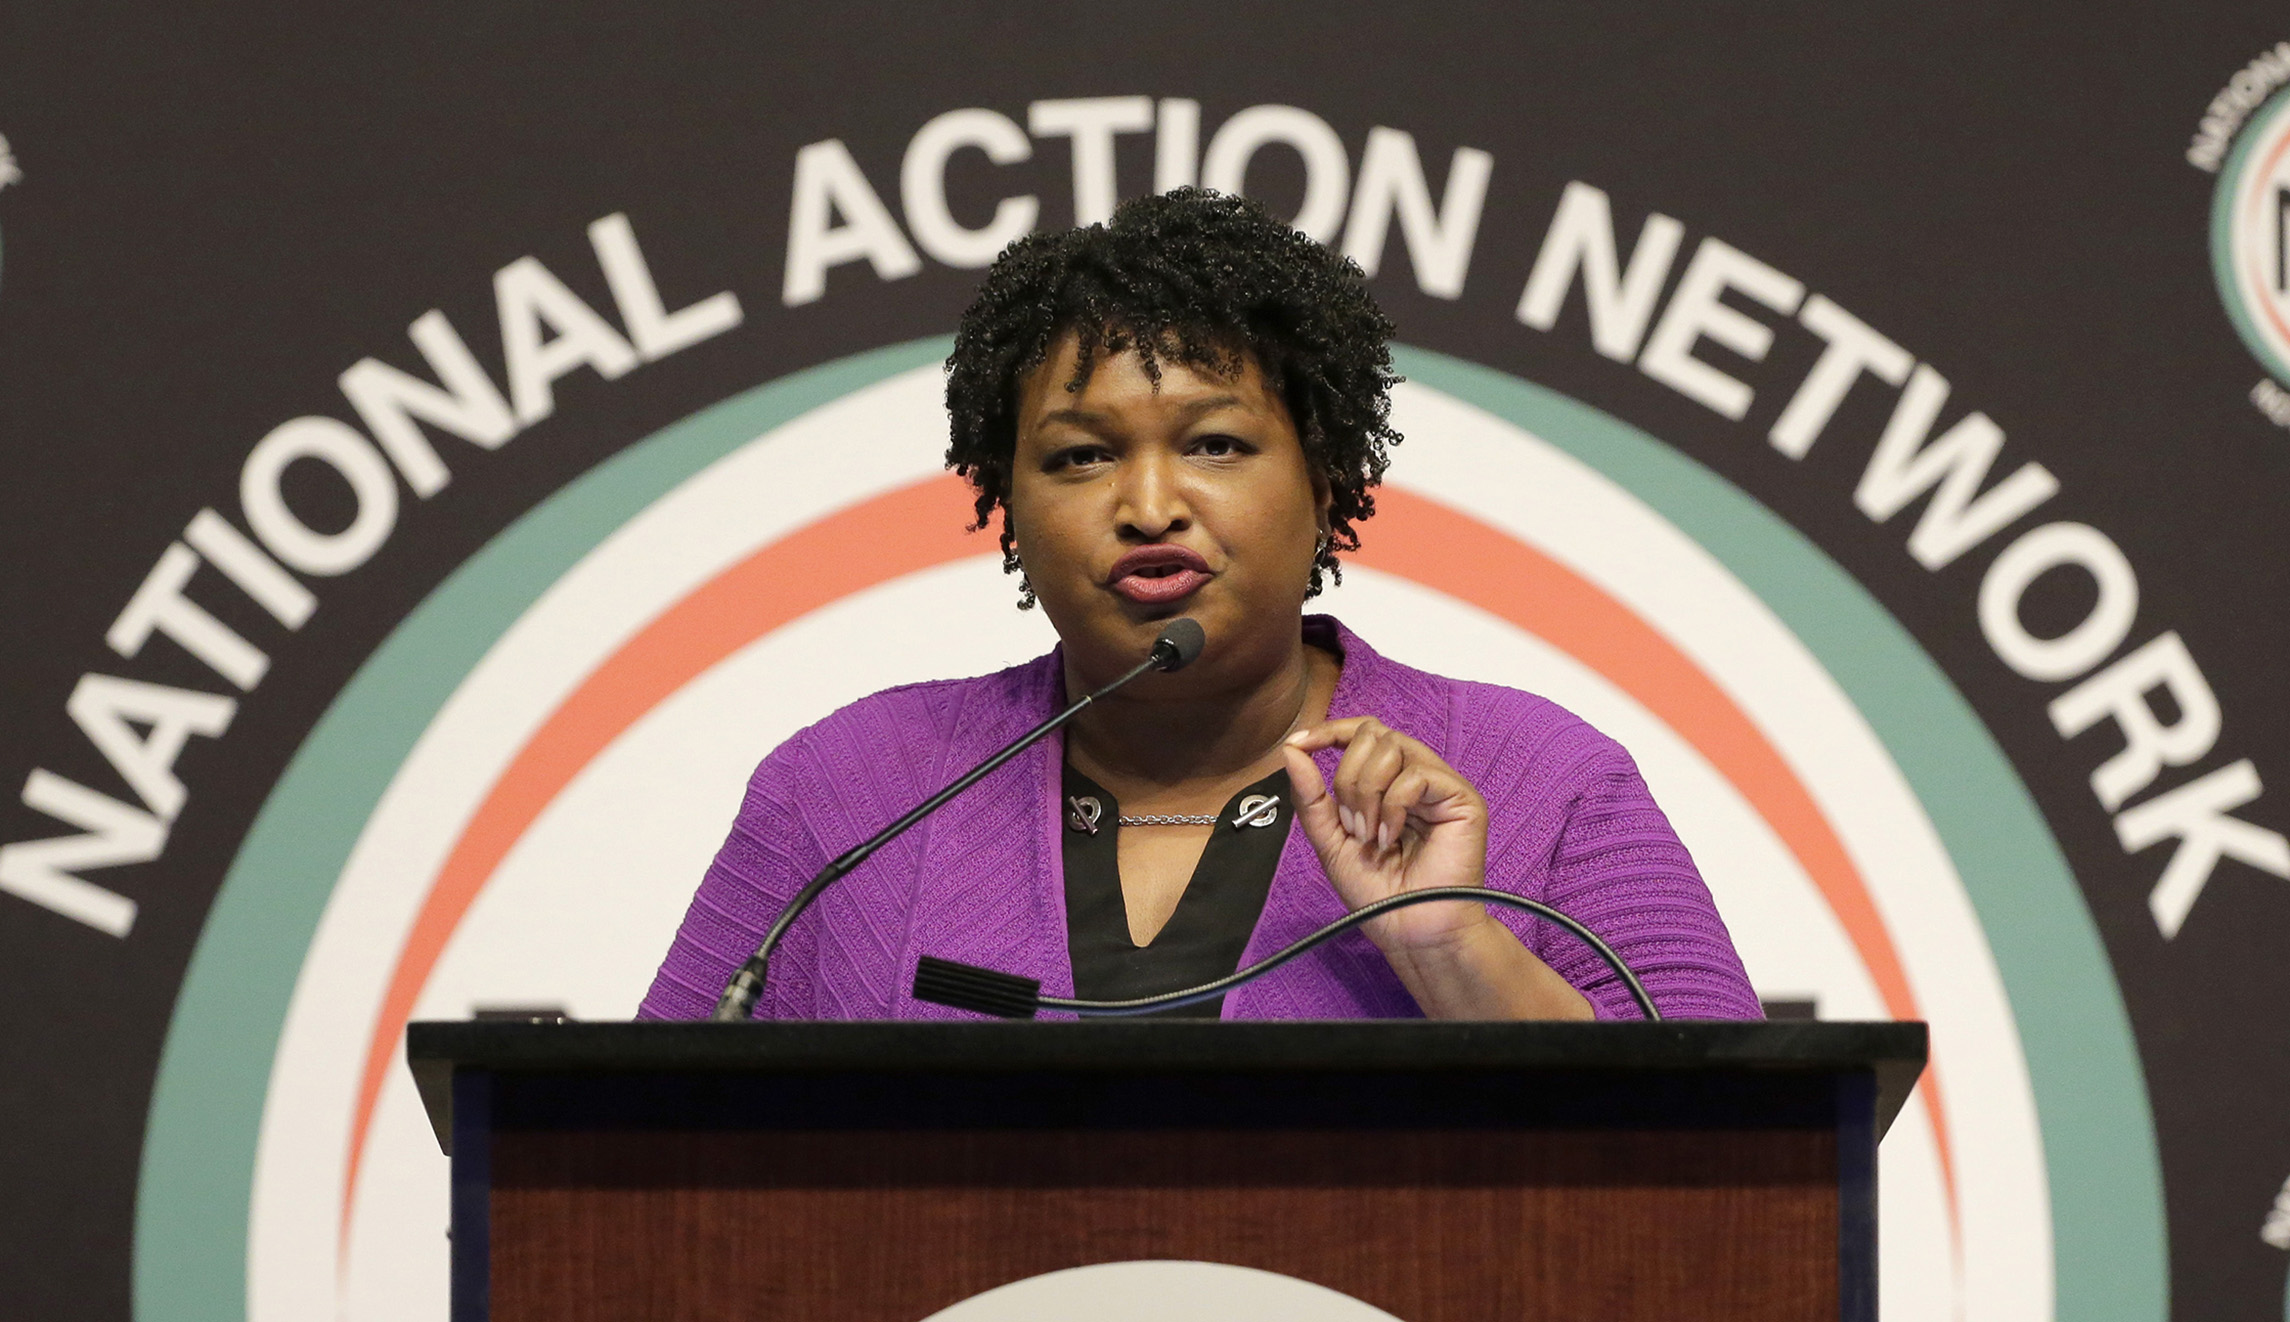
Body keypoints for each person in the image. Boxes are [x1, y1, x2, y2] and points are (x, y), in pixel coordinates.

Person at [639, 188, 1760, 1023]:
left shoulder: (1541, 777)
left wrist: (1453, 952)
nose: (1148, 503)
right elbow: (627, 1162)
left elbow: (1743, 1169)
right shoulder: (848, 790)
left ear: (1324, 480)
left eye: (1215, 443)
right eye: (1079, 457)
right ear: (1007, 506)